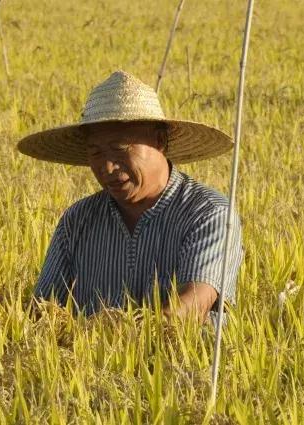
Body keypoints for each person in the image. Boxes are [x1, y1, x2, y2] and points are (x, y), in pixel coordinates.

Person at [17, 70, 243, 322]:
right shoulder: (78, 220)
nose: (108, 167)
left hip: (177, 360)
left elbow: (191, 306)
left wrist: (120, 335)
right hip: (90, 359)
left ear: (159, 141)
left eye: (120, 149)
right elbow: (45, 310)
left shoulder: (208, 213)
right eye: (96, 153)